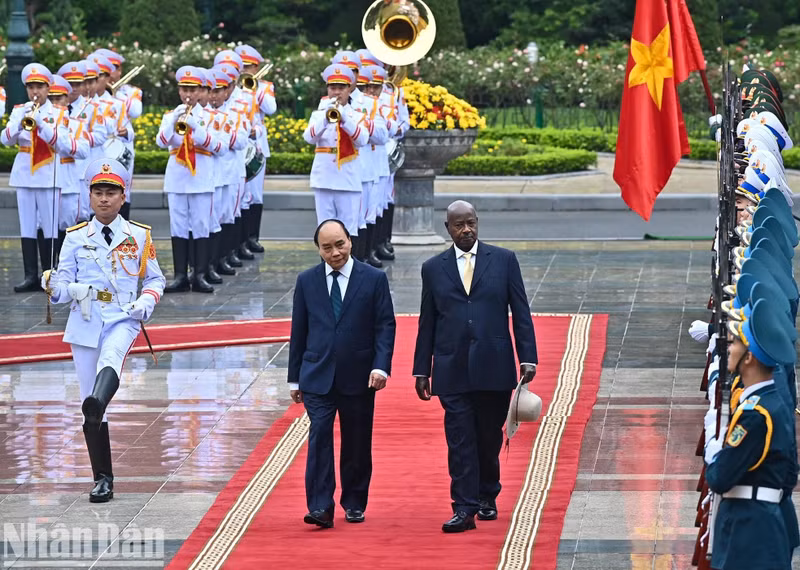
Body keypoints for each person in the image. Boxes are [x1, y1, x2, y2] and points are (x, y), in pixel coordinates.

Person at [43, 158, 165, 502]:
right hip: (84, 318)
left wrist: (146, 302)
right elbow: (65, 287)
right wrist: (52, 286)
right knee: (91, 403)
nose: (104, 199)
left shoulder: (138, 235)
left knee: (111, 358)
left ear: (122, 196)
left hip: (123, 316)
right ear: (89, 196)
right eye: (98, 192)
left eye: (111, 192)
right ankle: (103, 477)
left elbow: (155, 278)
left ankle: (97, 401)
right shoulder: (75, 237)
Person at [412, 200, 538, 533]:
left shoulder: (504, 261)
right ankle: (463, 508)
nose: (466, 229)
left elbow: (521, 312)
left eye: (471, 223)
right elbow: (428, 322)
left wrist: (528, 357)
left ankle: (487, 494)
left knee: (487, 438)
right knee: (459, 440)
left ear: (478, 223)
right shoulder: (433, 268)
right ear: (448, 229)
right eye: (459, 225)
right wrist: (421, 369)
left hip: (494, 368)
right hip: (451, 368)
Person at [288, 219, 396, 528]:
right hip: (317, 374)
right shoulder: (307, 281)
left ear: (350, 241)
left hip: (360, 376)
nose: (335, 252)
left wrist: (380, 366)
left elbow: (385, 325)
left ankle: (354, 501)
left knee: (357, 441)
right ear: (318, 250)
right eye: (327, 247)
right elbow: (300, 331)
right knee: (320, 436)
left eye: (340, 244)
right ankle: (320, 506)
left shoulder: (373, 278)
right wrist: (294, 378)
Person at [705, 298, 797, 569]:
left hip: (749, 534)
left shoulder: (756, 415)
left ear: (749, 357)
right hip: (762, 524)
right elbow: (789, 473)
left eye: (734, 343)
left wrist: (714, 453)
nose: (729, 347)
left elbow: (720, 478)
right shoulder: (773, 403)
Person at [2, 63, 73, 292]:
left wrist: (41, 124)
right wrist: (17, 122)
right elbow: (6, 139)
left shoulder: (59, 113)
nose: (35, 92)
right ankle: (30, 275)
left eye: (39, 87)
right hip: (24, 175)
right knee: (27, 227)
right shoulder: (18, 110)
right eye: (31, 87)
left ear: (48, 88)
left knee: (50, 227)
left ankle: (49, 275)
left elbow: (63, 144)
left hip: (48, 174)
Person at [157, 65, 223, 294]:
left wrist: (197, 128)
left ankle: (200, 274)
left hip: (201, 177)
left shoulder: (211, 117)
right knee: (178, 226)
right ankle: (180, 275)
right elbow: (161, 141)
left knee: (201, 226)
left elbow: (219, 146)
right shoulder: (170, 115)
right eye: (184, 88)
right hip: (177, 178)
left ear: (200, 91)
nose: (188, 94)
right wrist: (172, 121)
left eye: (192, 89)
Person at [302, 65, 369, 241]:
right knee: (324, 229)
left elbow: (362, 140)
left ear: (349, 89)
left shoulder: (357, 115)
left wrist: (344, 119)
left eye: (341, 88)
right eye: (333, 88)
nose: (337, 92)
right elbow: (309, 137)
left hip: (347, 179)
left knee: (348, 229)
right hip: (323, 178)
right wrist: (325, 118)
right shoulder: (319, 114)